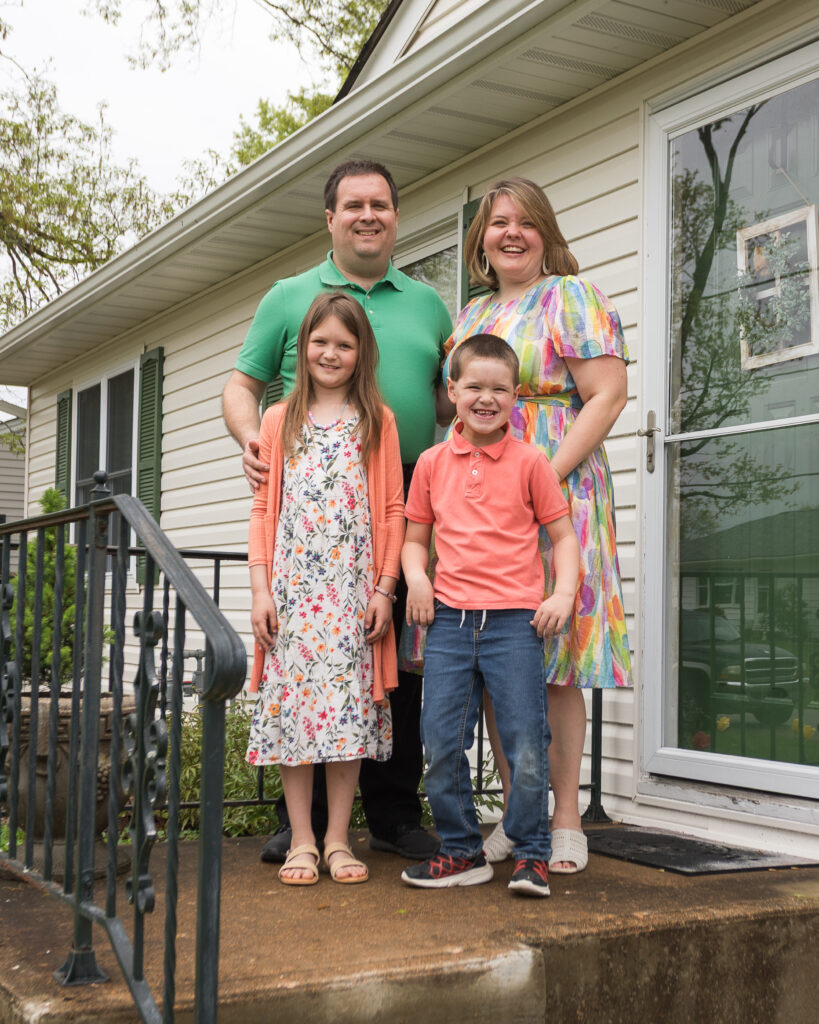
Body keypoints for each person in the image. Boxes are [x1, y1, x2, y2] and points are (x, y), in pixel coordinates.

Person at [223, 159, 451, 862]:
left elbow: (449, 394)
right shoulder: (290, 295)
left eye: (380, 203)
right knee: (311, 658)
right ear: (329, 218)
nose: (367, 215)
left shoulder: (427, 302)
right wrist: (250, 443)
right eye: (352, 204)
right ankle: (308, 828)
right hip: (307, 491)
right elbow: (241, 385)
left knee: (395, 652)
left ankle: (389, 813)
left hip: (402, 492)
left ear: (394, 215)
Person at [445, 177, 632, 875]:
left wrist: (540, 478)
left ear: (546, 231)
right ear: (481, 238)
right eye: (497, 223)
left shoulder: (571, 297)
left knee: (555, 667)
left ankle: (561, 822)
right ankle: (516, 815)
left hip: (559, 490)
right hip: (481, 508)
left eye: (524, 221)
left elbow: (606, 394)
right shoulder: (469, 318)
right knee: (500, 665)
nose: (511, 233)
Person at [400, 334, 580, 896]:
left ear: (516, 397)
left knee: (527, 740)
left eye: (498, 388)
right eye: (473, 386)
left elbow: (563, 538)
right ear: (452, 390)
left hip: (515, 624)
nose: (485, 397)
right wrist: (417, 579)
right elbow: (414, 539)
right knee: (442, 741)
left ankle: (532, 853)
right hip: (450, 622)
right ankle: (461, 852)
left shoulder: (531, 463)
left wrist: (562, 594)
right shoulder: (431, 463)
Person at [245, 292, 405, 885]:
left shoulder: (378, 421)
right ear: (301, 348)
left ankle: (339, 839)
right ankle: (303, 841)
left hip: (351, 598)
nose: (330, 353)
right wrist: (261, 590)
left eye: (344, 343)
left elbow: (392, 508)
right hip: (291, 597)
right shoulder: (277, 420)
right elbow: (263, 512)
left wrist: (385, 588)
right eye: (320, 342)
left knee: (347, 718)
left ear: (361, 352)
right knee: (296, 717)